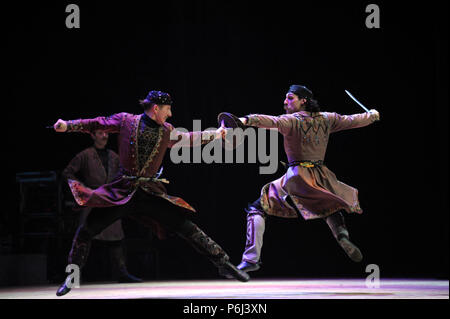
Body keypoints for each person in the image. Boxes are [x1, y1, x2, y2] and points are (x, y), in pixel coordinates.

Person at [53, 90, 250, 296]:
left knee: (186, 227)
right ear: (156, 108)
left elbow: (188, 138)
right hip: (122, 192)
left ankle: (224, 263)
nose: (171, 114)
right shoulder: (126, 121)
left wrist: (216, 133)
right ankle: (72, 277)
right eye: (168, 109)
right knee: (86, 230)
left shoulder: (166, 130)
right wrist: (67, 125)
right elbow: (97, 123)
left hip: (149, 194)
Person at [229, 85, 380, 273]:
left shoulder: (291, 121)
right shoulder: (328, 118)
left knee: (257, 208)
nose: (285, 102)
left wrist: (244, 120)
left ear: (304, 101)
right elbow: (352, 120)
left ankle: (251, 259)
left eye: (290, 98)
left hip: (297, 175)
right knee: (329, 204)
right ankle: (342, 235)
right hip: (321, 174)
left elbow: (269, 121)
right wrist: (372, 115)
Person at [62, 128, 142, 283]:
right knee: (83, 237)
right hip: (93, 200)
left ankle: (121, 273)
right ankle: (73, 275)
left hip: (109, 200)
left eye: (106, 133)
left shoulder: (113, 156)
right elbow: (67, 173)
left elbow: (124, 174)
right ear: (93, 136)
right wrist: (83, 189)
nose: (105, 136)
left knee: (116, 237)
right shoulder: (85, 155)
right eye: (100, 133)